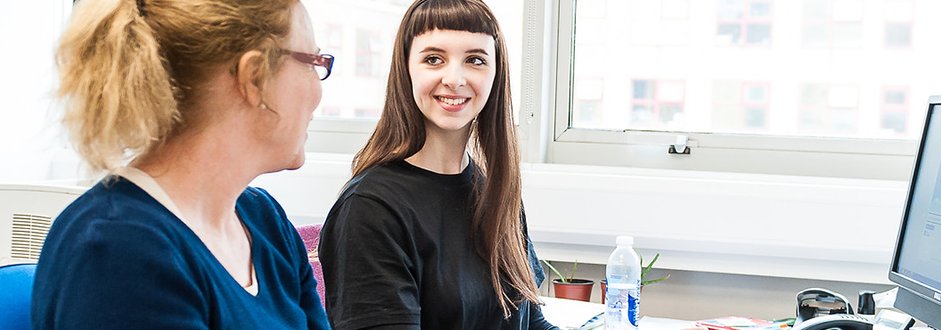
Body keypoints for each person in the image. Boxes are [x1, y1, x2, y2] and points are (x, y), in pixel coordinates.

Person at [32, 0, 334, 328]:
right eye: (313, 62)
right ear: (255, 77)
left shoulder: (265, 220)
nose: (318, 91)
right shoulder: (118, 250)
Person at [318, 0, 554, 329]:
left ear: (495, 74)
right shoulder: (370, 210)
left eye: (475, 60)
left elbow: (531, 322)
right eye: (433, 59)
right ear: (406, 70)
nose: (454, 78)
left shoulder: (497, 192)